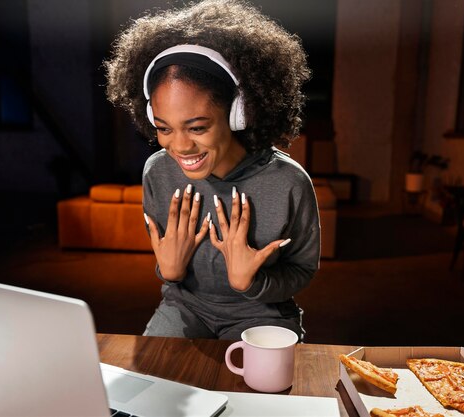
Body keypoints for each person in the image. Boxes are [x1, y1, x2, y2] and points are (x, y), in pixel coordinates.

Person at [104, 0, 320, 340]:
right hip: (185, 308)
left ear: (239, 113)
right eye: (164, 128)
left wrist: (251, 281)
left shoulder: (288, 182)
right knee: (148, 383)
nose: (179, 147)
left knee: (258, 392)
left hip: (262, 314)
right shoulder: (158, 172)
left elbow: (302, 270)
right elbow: (170, 267)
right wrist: (169, 270)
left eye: (197, 128)